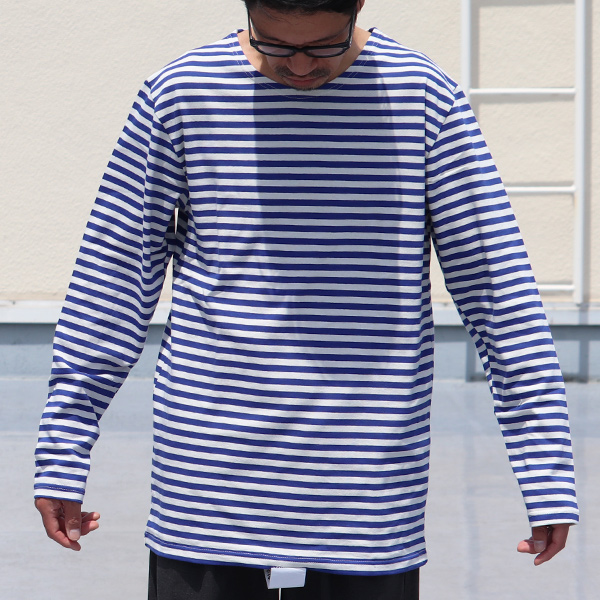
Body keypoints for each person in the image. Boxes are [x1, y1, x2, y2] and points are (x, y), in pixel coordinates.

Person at [34, 1, 579, 598]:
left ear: (358, 6)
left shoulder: (424, 99)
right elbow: (111, 277)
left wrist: (546, 472)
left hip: (366, 498)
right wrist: (63, 451)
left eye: (322, 46)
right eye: (274, 44)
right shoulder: (180, 94)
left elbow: (497, 290)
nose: (298, 67)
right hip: (208, 491)